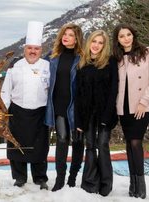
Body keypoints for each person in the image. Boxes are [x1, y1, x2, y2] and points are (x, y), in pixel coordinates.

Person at [0, 21, 50, 190]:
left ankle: (40, 178)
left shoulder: (47, 67)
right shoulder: (15, 66)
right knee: (16, 146)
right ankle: (19, 177)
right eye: (30, 48)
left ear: (40, 50)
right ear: (25, 49)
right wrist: (3, 112)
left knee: (40, 147)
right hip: (17, 112)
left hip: (40, 113)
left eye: (36, 48)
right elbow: (6, 91)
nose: (33, 51)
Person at [75, 30, 118, 196]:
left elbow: (114, 90)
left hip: (105, 112)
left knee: (103, 145)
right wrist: (79, 121)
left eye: (100, 42)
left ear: (104, 45)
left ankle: (106, 185)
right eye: (94, 41)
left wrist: (107, 116)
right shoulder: (82, 64)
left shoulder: (110, 62)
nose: (96, 45)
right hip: (87, 115)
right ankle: (90, 183)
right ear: (89, 42)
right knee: (90, 146)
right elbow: (78, 94)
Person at [44, 23, 84, 192]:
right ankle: (60, 179)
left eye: (71, 35)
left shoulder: (83, 58)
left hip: (77, 107)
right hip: (59, 106)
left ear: (77, 39)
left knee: (78, 142)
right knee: (62, 140)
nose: (66, 37)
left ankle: (72, 178)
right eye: (64, 34)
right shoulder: (52, 57)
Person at [113, 23, 148, 199]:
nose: (126, 38)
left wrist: (144, 102)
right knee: (129, 143)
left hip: (140, 107)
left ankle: (141, 187)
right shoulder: (117, 58)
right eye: (121, 36)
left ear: (133, 35)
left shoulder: (146, 53)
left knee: (135, 142)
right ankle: (133, 185)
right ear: (117, 39)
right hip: (123, 107)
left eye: (128, 34)